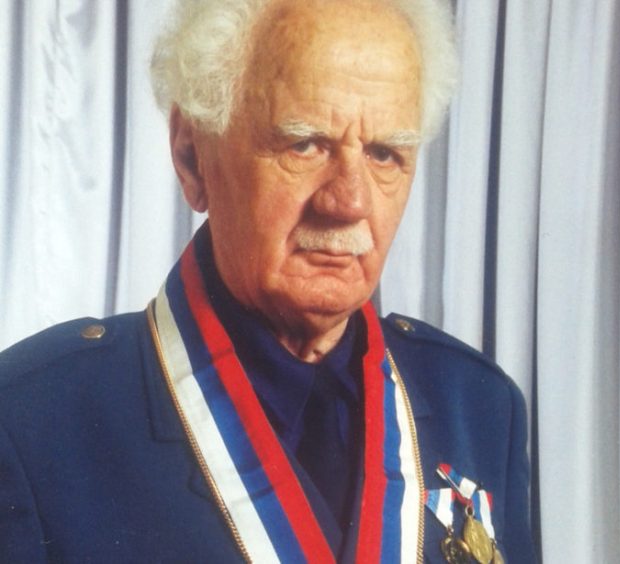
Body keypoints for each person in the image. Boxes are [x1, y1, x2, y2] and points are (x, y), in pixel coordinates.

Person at [0, 0, 537, 562]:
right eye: (305, 144)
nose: (349, 202)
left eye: (384, 154)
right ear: (192, 156)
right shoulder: (32, 425)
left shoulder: (479, 407)